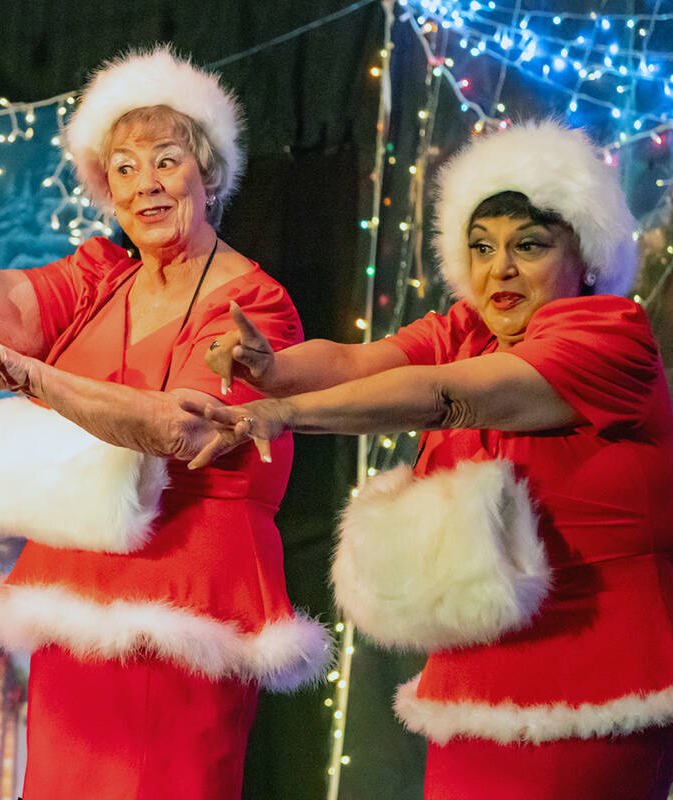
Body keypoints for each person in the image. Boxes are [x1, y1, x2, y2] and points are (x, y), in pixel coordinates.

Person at [186, 121, 673, 799]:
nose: (498, 269)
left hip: (597, 679)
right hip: (479, 680)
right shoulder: (466, 330)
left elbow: (445, 399)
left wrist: (286, 413)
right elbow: (355, 361)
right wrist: (271, 369)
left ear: (585, 255)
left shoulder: (608, 335)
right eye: (481, 248)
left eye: (527, 246)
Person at [0, 45, 329, 800]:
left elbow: (183, 430)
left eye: (166, 161)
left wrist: (37, 378)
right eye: (125, 169)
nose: (145, 185)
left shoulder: (253, 305)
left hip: (186, 599)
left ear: (208, 173)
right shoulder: (102, 275)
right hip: (79, 593)